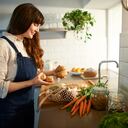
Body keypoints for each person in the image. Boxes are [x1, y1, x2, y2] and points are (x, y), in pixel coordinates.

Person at [0, 3, 55, 128]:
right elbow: (0, 87)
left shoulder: (24, 44)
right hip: (10, 112)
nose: (37, 30)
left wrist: (53, 72)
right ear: (23, 20)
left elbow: (32, 73)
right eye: (35, 24)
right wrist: (31, 82)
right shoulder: (3, 45)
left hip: (27, 107)